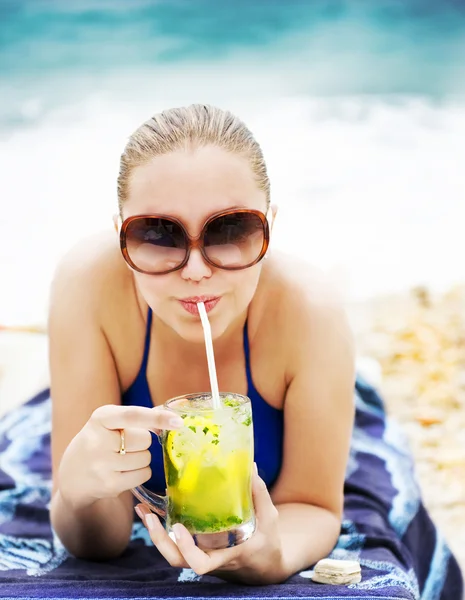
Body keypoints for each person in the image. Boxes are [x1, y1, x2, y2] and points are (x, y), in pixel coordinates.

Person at [48, 104, 356, 585]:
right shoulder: (87, 286)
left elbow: (313, 505)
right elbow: (100, 542)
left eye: (231, 228)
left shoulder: (311, 310)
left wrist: (269, 557)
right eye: (157, 233)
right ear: (119, 235)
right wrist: (77, 493)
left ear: (269, 226)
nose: (195, 270)